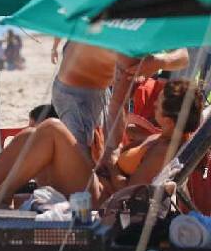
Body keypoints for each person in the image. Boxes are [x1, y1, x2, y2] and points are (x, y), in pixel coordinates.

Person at [0, 79, 202, 209]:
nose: (154, 105)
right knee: (31, 134)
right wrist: (108, 154)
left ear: (169, 118)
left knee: (52, 128)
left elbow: (131, 195)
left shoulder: (163, 150)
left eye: (159, 104)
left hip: (102, 199)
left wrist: (109, 163)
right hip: (99, 183)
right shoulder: (160, 138)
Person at [52, 41, 188, 161]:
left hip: (98, 88)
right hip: (76, 95)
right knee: (83, 164)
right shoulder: (126, 42)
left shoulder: (149, 27)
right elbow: (119, 103)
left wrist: (159, 62)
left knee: (97, 156)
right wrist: (112, 153)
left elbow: (184, 56)